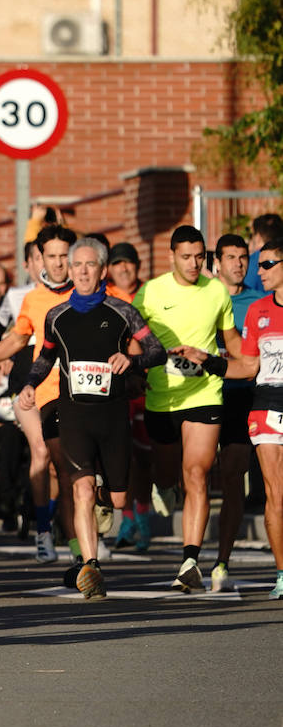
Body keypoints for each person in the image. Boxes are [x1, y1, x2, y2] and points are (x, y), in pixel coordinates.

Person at [18, 238, 167, 599]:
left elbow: (157, 351)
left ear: (102, 271)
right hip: (74, 417)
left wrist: (131, 361)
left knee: (116, 502)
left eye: (90, 265)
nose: (83, 272)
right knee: (79, 489)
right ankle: (92, 567)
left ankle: (106, 493)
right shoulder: (57, 316)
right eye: (77, 265)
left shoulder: (122, 311)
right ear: (69, 271)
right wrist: (30, 384)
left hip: (113, 416)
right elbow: (45, 357)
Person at [134, 226, 240, 592]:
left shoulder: (216, 291)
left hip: (204, 393)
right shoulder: (150, 292)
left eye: (200, 256)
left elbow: (232, 342)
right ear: (171, 256)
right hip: (162, 396)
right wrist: (137, 369)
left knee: (196, 472)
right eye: (186, 257)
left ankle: (190, 560)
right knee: (168, 474)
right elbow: (130, 339)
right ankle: (163, 486)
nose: (195, 264)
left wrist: (236, 360)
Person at [0, 226, 77, 563]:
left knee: (66, 469)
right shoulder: (32, 298)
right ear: (40, 259)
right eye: (50, 256)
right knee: (40, 452)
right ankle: (43, 533)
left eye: (64, 255)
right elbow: (19, 338)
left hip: (74, 393)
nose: (58, 263)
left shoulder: (88, 293)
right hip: (34, 391)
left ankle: (76, 534)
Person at [224, 238, 283, 599]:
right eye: (257, 265)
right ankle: (282, 572)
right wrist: (211, 363)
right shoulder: (257, 310)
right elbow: (247, 365)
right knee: (276, 493)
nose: (258, 271)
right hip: (266, 404)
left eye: (267, 264)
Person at [211, 233, 265, 591]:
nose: (238, 263)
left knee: (232, 477)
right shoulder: (202, 297)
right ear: (216, 262)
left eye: (243, 257)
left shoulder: (259, 303)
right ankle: (189, 553)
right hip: (198, 397)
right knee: (195, 476)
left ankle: (221, 562)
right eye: (230, 257)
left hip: (242, 395)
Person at [105, 242, 155, 550]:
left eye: (129, 263)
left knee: (143, 459)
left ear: (138, 266)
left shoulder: (150, 294)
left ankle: (143, 518)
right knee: (120, 459)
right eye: (117, 263)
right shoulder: (105, 297)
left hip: (145, 385)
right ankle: (127, 519)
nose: (123, 268)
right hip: (112, 387)